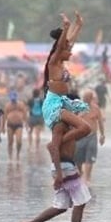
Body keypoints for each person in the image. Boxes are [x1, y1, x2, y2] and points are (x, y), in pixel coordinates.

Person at [20, 120, 90, 222]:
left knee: (61, 206)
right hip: (63, 167)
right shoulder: (59, 125)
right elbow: (53, 148)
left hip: (66, 166)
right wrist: (58, 174)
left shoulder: (68, 126)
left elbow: (83, 132)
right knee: (81, 201)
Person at [42, 13, 92, 156]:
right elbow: (61, 46)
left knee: (70, 140)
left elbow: (69, 43)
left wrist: (78, 26)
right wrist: (66, 27)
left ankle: (60, 158)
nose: (70, 52)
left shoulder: (61, 61)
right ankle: (54, 146)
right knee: (83, 128)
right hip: (54, 103)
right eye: (67, 49)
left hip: (63, 102)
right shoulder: (54, 61)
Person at [74, 90, 104, 186]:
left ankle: (87, 177)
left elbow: (100, 122)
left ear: (91, 99)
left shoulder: (96, 109)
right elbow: (72, 121)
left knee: (89, 158)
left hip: (92, 136)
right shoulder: (78, 107)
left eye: (87, 98)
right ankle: (80, 173)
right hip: (80, 136)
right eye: (84, 98)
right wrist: (80, 116)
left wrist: (102, 135)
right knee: (78, 159)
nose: (85, 100)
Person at [3, 92, 28, 162]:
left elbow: (25, 114)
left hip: (19, 125)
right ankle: (10, 157)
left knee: (19, 141)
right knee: (10, 142)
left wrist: (26, 124)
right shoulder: (7, 105)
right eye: (12, 99)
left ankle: (17, 154)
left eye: (14, 99)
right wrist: (2, 127)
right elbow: (4, 116)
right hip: (10, 125)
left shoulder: (21, 104)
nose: (13, 101)